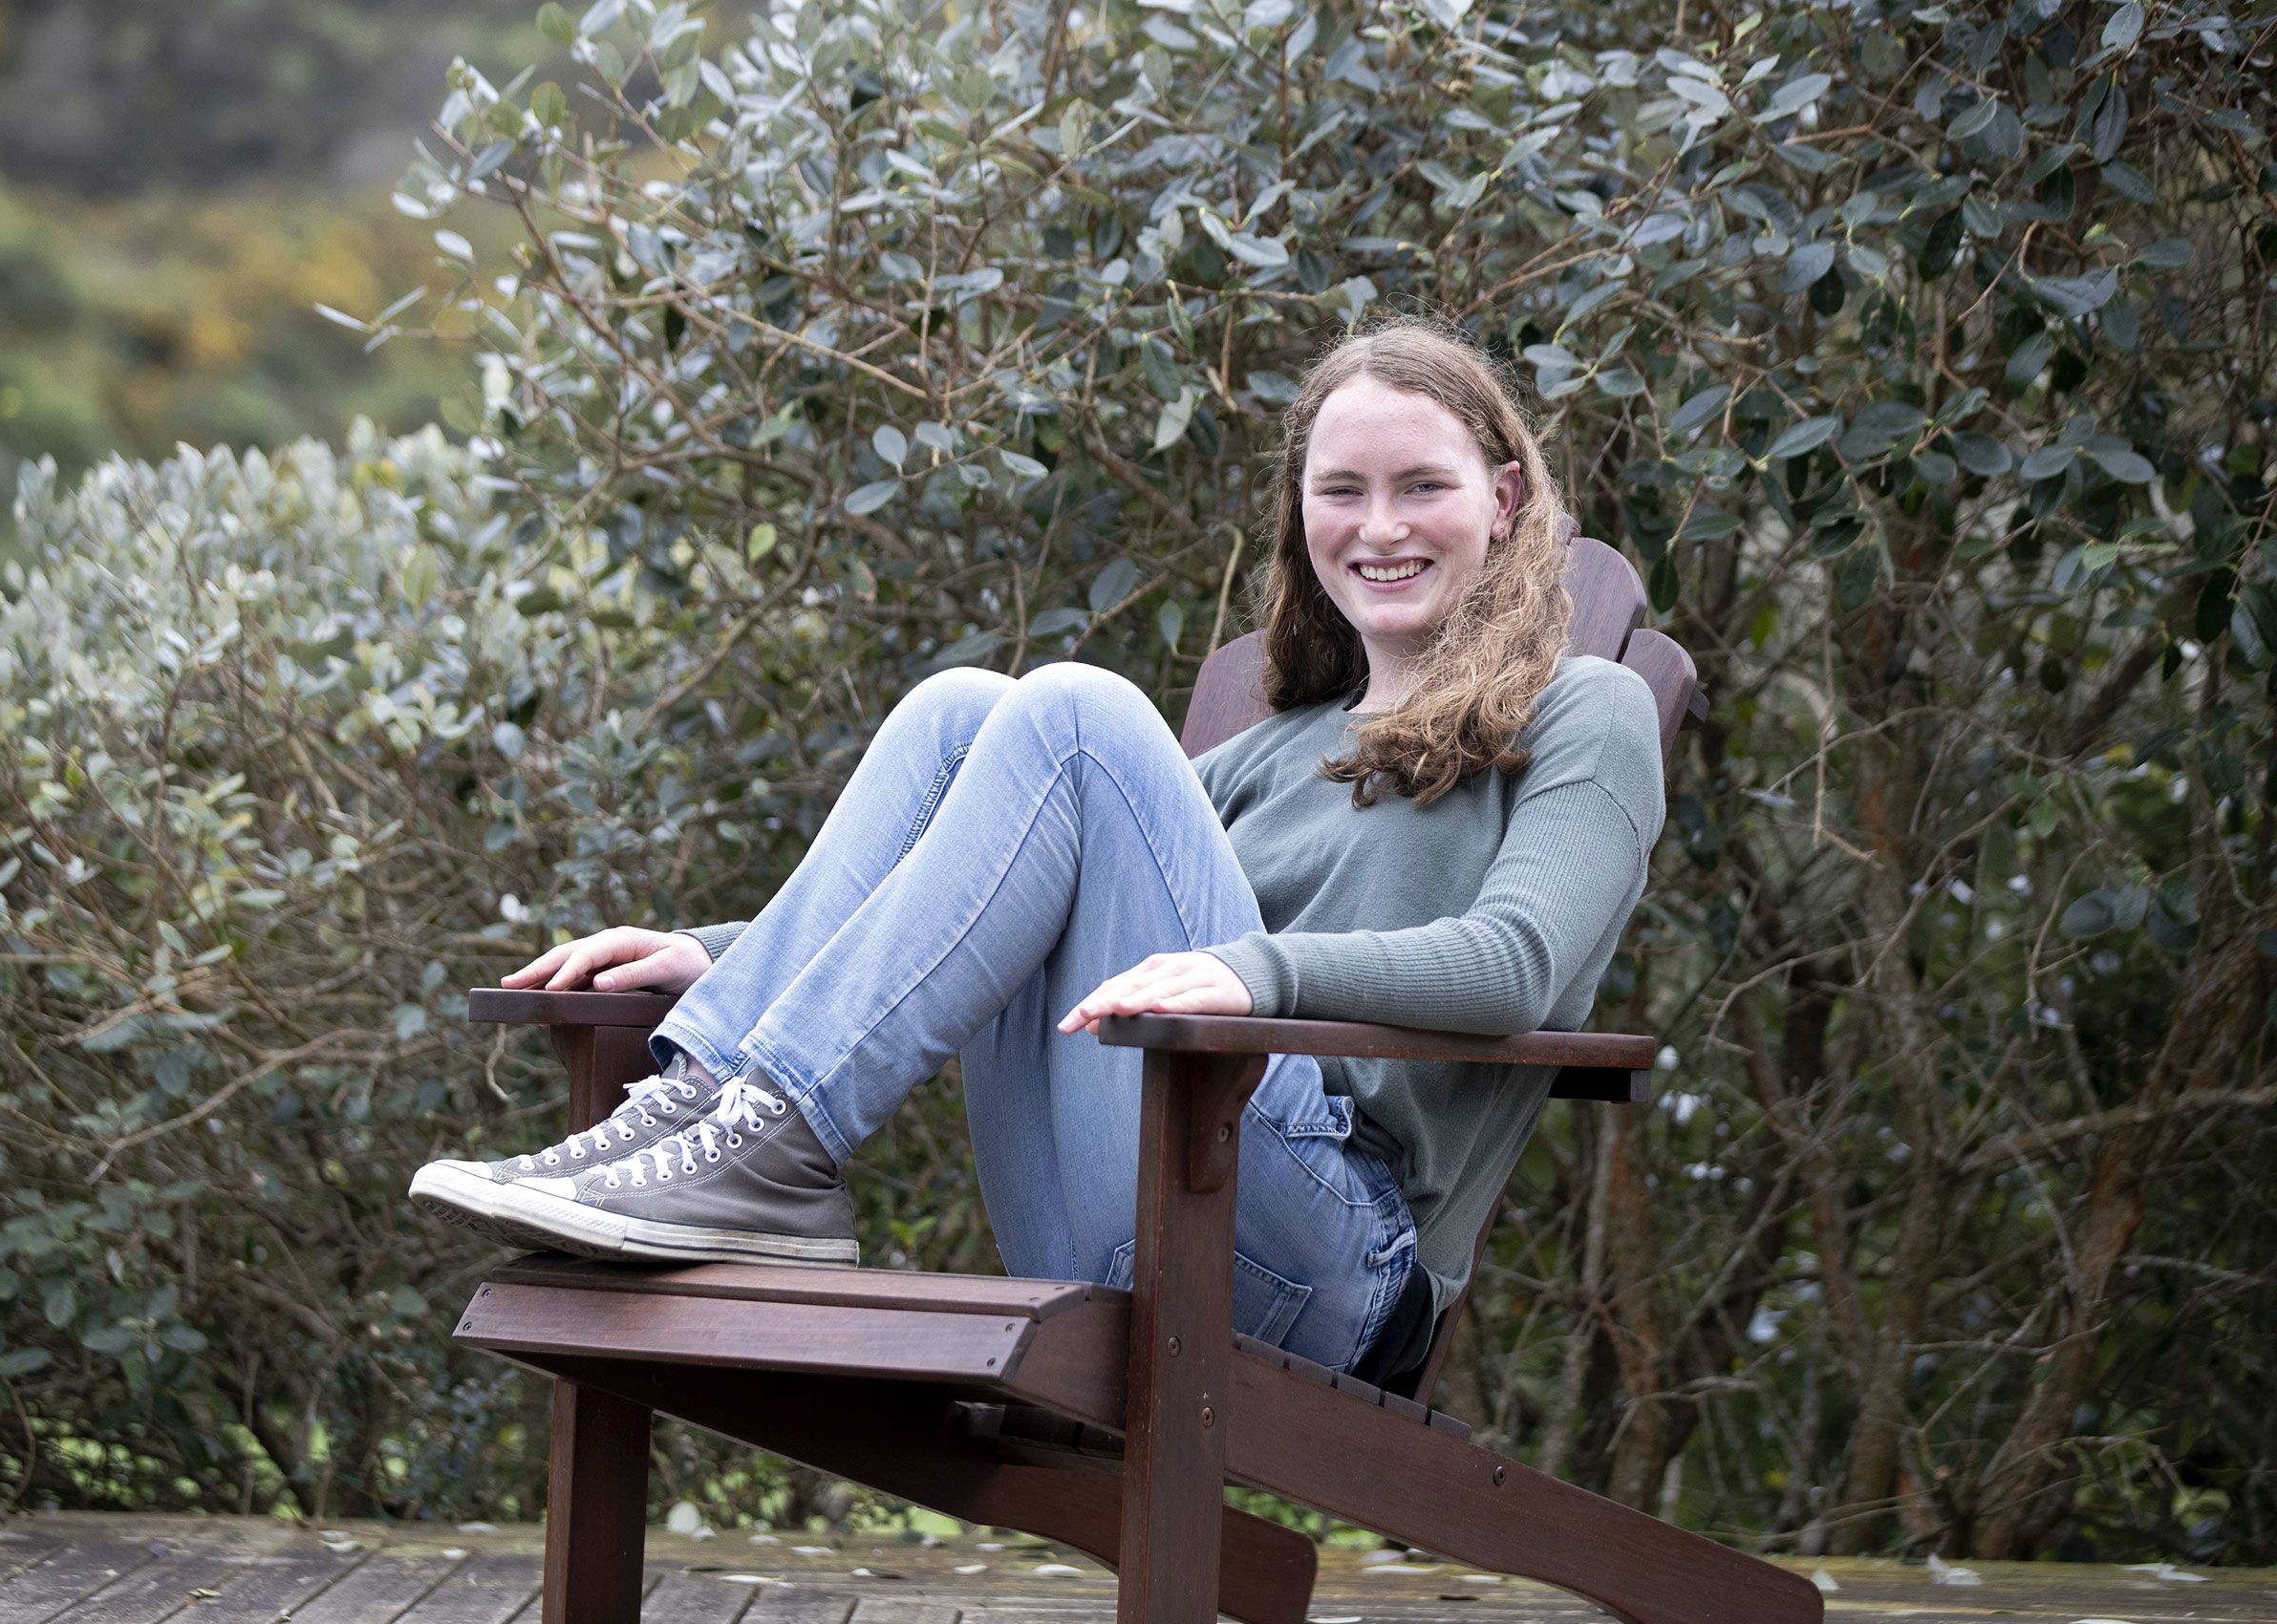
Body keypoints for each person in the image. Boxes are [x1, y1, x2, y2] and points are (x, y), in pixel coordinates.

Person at [410, 316, 1665, 1382]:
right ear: (1302, 515)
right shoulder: (1275, 753)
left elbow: (1517, 967)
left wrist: (1258, 976)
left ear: (1503, 499)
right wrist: (715, 956)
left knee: (1070, 714)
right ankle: (712, 1102)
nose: (1378, 525)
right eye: (1341, 490)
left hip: (1328, 1261)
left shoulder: (1585, 712)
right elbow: (984, 871)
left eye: (1422, 486)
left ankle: (770, 1146)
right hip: (1125, 1209)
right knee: (963, 709)